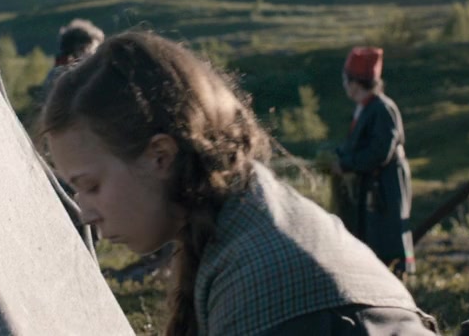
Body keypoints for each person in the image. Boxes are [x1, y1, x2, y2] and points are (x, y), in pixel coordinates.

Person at [39, 31, 437, 336]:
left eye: (91, 186)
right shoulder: (245, 218)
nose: (85, 212)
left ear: (160, 156)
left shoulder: (264, 282)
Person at [333, 47, 414, 276]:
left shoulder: (382, 109)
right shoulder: (367, 108)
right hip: (373, 185)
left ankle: (393, 274)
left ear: (354, 83)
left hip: (384, 186)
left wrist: (347, 165)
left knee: (385, 236)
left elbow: (379, 152)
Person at [37, 18, 105, 100]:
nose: (96, 54)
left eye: (97, 50)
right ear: (78, 49)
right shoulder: (60, 77)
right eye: (94, 50)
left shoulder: (96, 73)